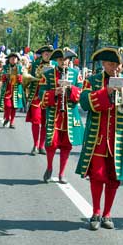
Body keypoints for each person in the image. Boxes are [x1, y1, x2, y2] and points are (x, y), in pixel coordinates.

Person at [75, 47, 123, 230]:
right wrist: (107, 91)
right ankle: (95, 211)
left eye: (117, 64)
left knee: (114, 177)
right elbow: (85, 103)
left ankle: (108, 214)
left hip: (120, 138)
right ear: (103, 64)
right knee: (97, 176)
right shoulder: (93, 80)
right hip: (98, 138)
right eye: (111, 64)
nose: (114, 68)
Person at [39, 47, 84, 184]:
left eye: (65, 59)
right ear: (56, 61)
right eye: (60, 59)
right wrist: (54, 93)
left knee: (66, 144)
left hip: (70, 114)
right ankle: (49, 166)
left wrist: (71, 89)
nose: (63, 62)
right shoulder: (47, 74)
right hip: (54, 113)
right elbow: (41, 94)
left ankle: (62, 173)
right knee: (51, 142)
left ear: (69, 60)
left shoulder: (76, 74)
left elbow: (82, 93)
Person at [25, 45, 54, 155]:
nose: (47, 54)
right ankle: (35, 145)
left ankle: (42, 146)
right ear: (42, 54)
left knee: (46, 123)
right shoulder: (35, 64)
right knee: (36, 121)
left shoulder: (55, 64)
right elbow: (29, 79)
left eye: (49, 53)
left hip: (49, 96)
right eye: (45, 53)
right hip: (36, 96)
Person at [0, 52, 24, 128]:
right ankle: (7, 118)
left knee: (14, 106)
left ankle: (12, 122)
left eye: (15, 58)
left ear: (17, 60)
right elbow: (2, 78)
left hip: (17, 89)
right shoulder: (5, 67)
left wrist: (20, 77)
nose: (13, 59)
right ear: (9, 59)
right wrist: (5, 76)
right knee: (7, 105)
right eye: (12, 58)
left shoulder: (20, 67)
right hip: (7, 88)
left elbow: (23, 79)